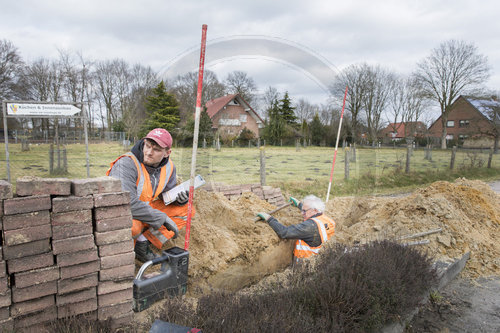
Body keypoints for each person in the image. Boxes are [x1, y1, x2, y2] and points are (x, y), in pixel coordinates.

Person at [107, 128, 194, 262]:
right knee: (133, 227)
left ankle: (142, 244)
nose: (148, 152)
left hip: (146, 209)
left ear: (167, 153)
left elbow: (166, 196)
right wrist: (161, 218)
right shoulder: (126, 164)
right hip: (126, 212)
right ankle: (121, 256)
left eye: (156, 150)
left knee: (186, 209)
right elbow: (126, 203)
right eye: (147, 146)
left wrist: (179, 200)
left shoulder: (169, 167)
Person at [256, 195, 335, 264]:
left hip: (306, 265)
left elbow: (284, 232)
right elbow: (309, 212)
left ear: (314, 210)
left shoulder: (308, 227)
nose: (302, 213)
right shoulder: (327, 220)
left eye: (304, 211)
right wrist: (299, 204)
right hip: (320, 260)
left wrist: (269, 219)